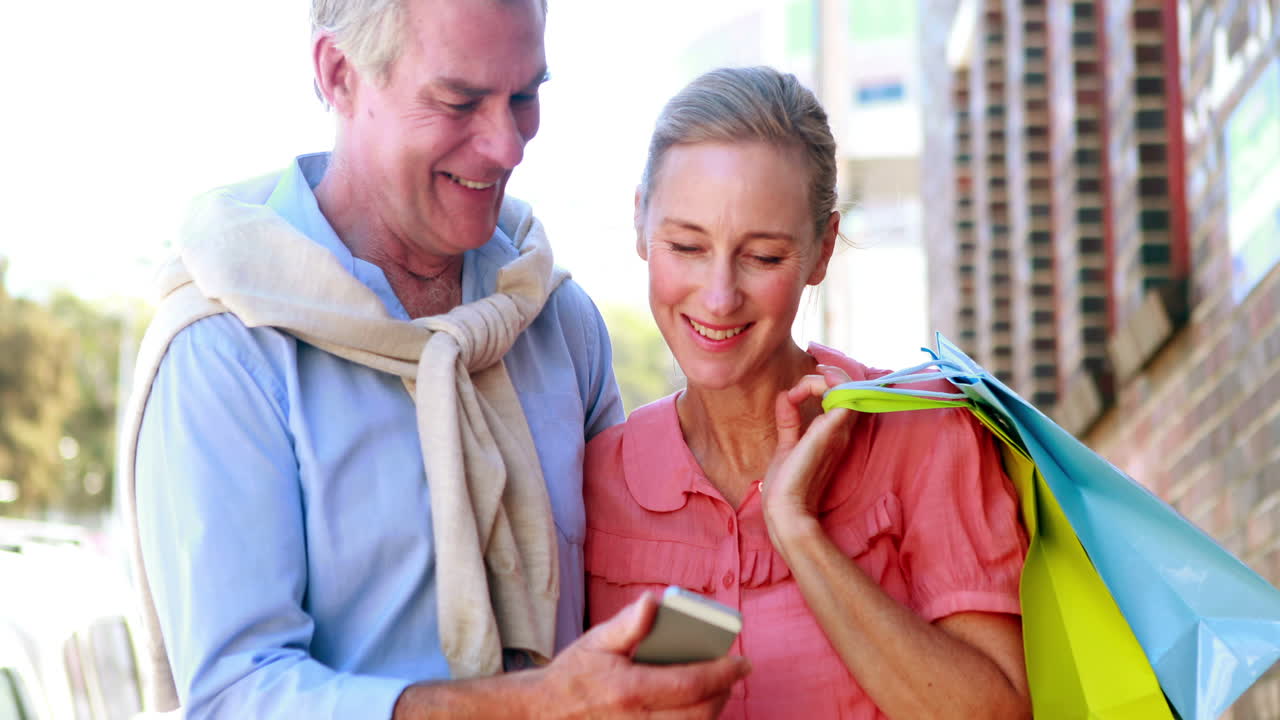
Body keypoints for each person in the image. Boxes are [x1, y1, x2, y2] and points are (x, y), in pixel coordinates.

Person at [119, 1, 748, 718]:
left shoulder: (553, 319)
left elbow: (638, 573)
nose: (508, 146)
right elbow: (236, 695)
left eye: (525, 96)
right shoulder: (224, 350)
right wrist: (532, 706)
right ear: (338, 74)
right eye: (459, 101)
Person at [583, 66, 1033, 719]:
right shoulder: (594, 481)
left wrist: (798, 531)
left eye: (762, 256)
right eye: (686, 246)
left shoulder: (924, 434)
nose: (717, 295)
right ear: (639, 224)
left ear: (822, 250)